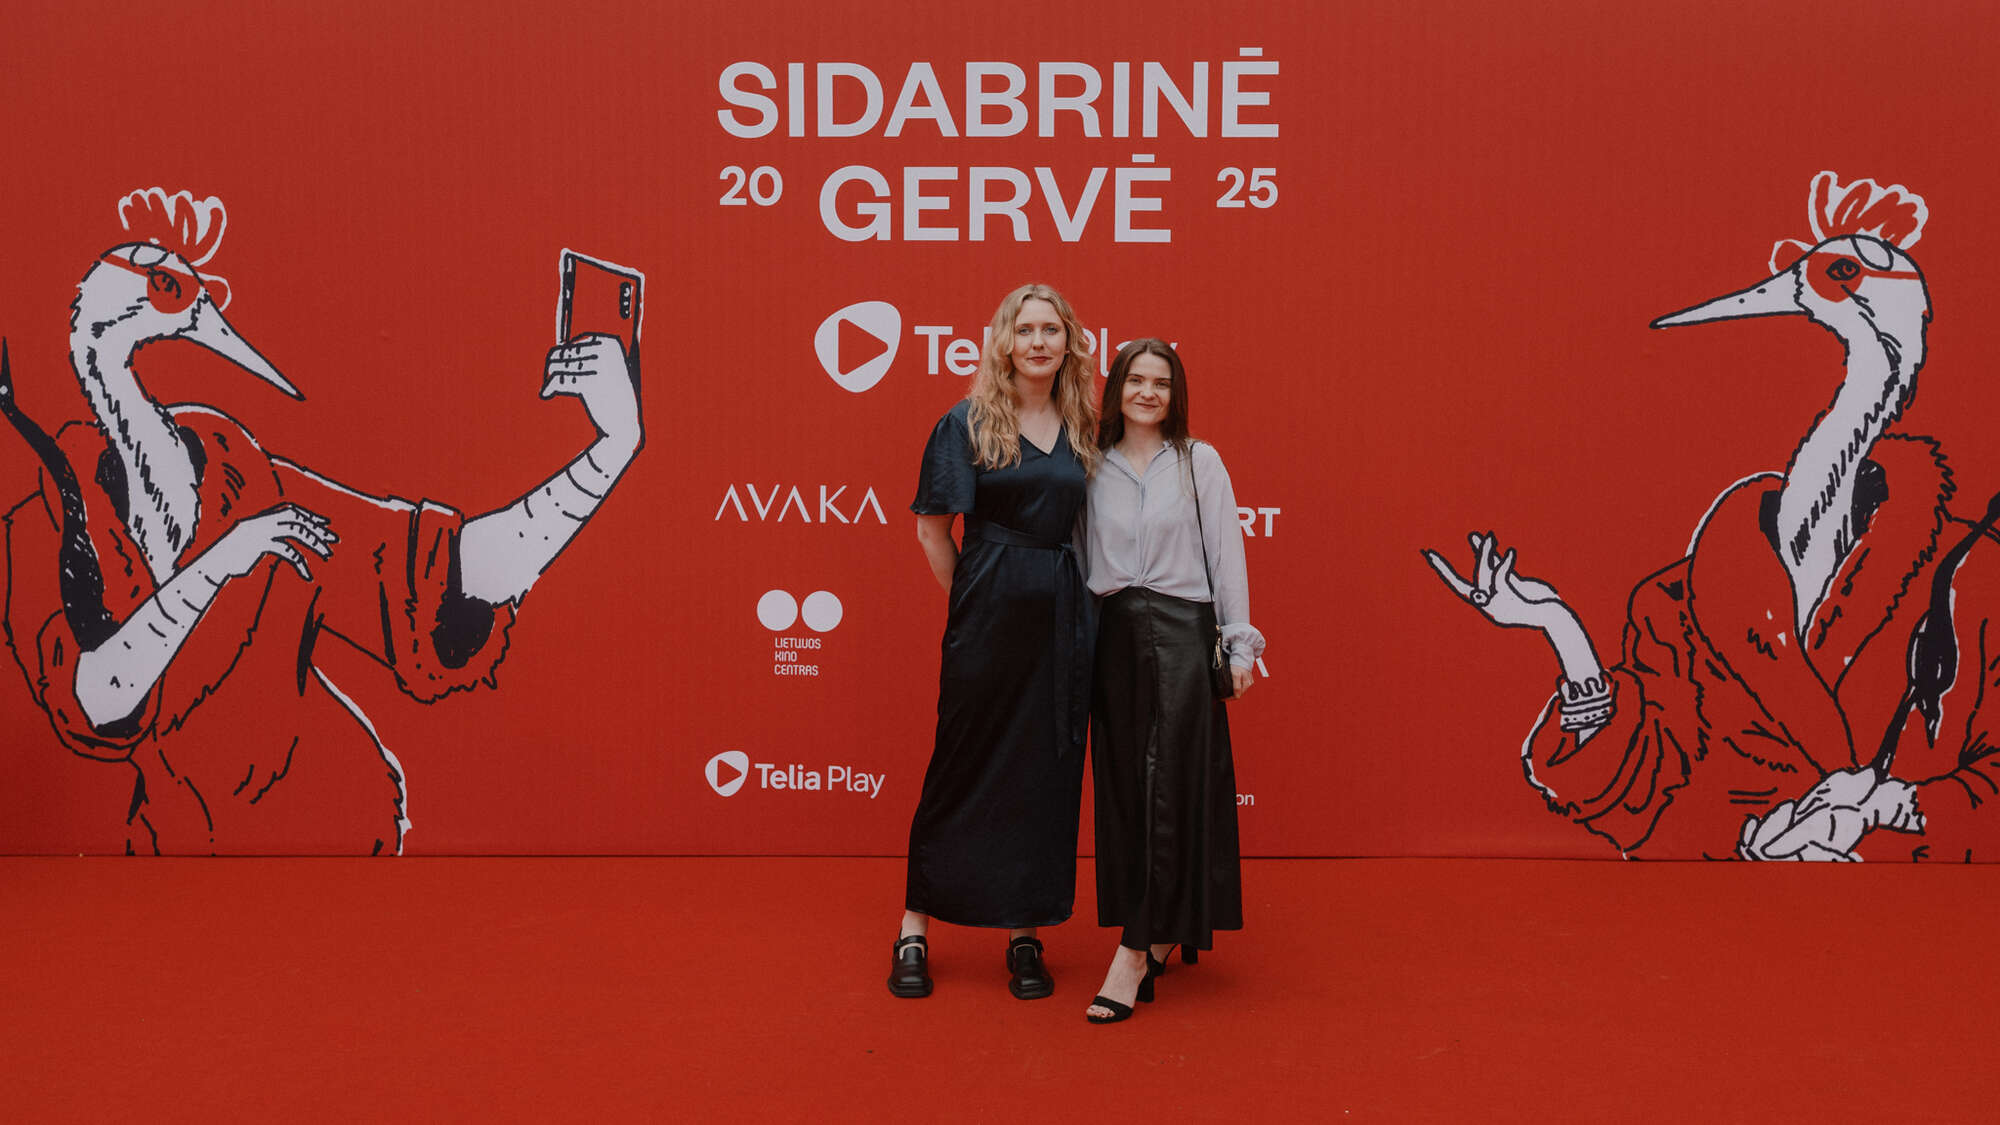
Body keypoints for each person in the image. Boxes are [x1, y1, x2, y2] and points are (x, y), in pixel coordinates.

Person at [889, 283, 1099, 1000]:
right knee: (962, 762)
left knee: (1043, 772)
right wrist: (977, 602)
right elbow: (931, 529)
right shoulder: (967, 421)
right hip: (986, 615)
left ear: (1068, 343)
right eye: (1026, 329)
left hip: (1062, 620)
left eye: (1051, 330)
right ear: (1004, 341)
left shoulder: (1082, 423)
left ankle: (1024, 930)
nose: (1038, 341)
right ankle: (914, 925)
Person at [1080, 339, 1261, 1023]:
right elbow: (1079, 557)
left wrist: (1239, 644)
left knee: (1170, 787)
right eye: (1136, 379)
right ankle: (1158, 928)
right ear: (1116, 388)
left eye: (1161, 382)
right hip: (1112, 636)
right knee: (1126, 790)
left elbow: (1226, 554)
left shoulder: (1197, 460)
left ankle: (1134, 953)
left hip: (1183, 634)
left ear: (1175, 393)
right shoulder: (1089, 463)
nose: (1148, 392)